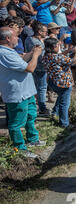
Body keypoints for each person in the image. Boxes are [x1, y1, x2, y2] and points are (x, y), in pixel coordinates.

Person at [0, 27, 46, 158]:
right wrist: (36, 55)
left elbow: (23, 59)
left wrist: (31, 52)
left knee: (30, 116)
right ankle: (19, 148)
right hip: (17, 93)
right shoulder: (4, 53)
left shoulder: (10, 51)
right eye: (15, 36)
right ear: (8, 38)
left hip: (26, 91)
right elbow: (30, 68)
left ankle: (32, 139)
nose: (18, 38)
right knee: (16, 123)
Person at [42, 37, 76, 128]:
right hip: (63, 83)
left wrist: (67, 51)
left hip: (52, 81)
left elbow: (59, 57)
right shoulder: (59, 57)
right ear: (54, 47)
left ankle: (55, 112)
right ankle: (64, 123)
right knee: (65, 103)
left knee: (61, 98)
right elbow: (74, 61)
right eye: (58, 45)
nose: (60, 46)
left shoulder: (46, 56)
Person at [25, 22, 50, 115]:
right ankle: (42, 108)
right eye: (45, 32)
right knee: (42, 88)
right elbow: (41, 54)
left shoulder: (29, 38)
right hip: (38, 67)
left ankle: (34, 107)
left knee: (36, 88)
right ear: (39, 31)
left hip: (34, 66)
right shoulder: (34, 41)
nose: (47, 33)